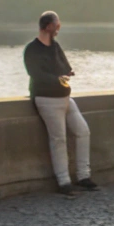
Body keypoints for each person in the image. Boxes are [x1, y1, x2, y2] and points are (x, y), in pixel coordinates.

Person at [25, 11, 99, 196]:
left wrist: (67, 73)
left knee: (83, 131)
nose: (59, 28)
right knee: (59, 140)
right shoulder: (32, 49)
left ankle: (83, 176)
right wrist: (57, 78)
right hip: (46, 99)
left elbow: (65, 66)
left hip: (65, 98)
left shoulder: (55, 47)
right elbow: (36, 74)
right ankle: (64, 182)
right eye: (57, 25)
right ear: (48, 26)